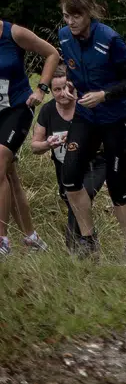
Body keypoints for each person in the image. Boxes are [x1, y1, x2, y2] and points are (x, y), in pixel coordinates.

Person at [57, 0, 126, 260]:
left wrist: (104, 94)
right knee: (70, 178)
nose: (71, 22)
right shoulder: (64, 36)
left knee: (117, 186)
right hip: (86, 114)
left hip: (117, 117)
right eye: (67, 16)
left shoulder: (109, 38)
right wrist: (71, 86)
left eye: (76, 16)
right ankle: (88, 240)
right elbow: (73, 69)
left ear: (89, 13)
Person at [0, 18, 58, 255]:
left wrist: (41, 89)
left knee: (0, 161)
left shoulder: (14, 33)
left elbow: (52, 54)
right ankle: (32, 237)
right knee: (9, 176)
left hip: (18, 108)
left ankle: (2, 241)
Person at [32, 68, 106, 251]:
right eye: (57, 90)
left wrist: (78, 138)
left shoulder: (86, 106)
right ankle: (90, 243)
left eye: (65, 88)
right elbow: (35, 146)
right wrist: (48, 143)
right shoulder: (48, 111)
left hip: (93, 164)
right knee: (73, 202)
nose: (62, 93)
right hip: (64, 167)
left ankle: (74, 246)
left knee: (81, 196)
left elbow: (106, 137)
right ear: (51, 91)